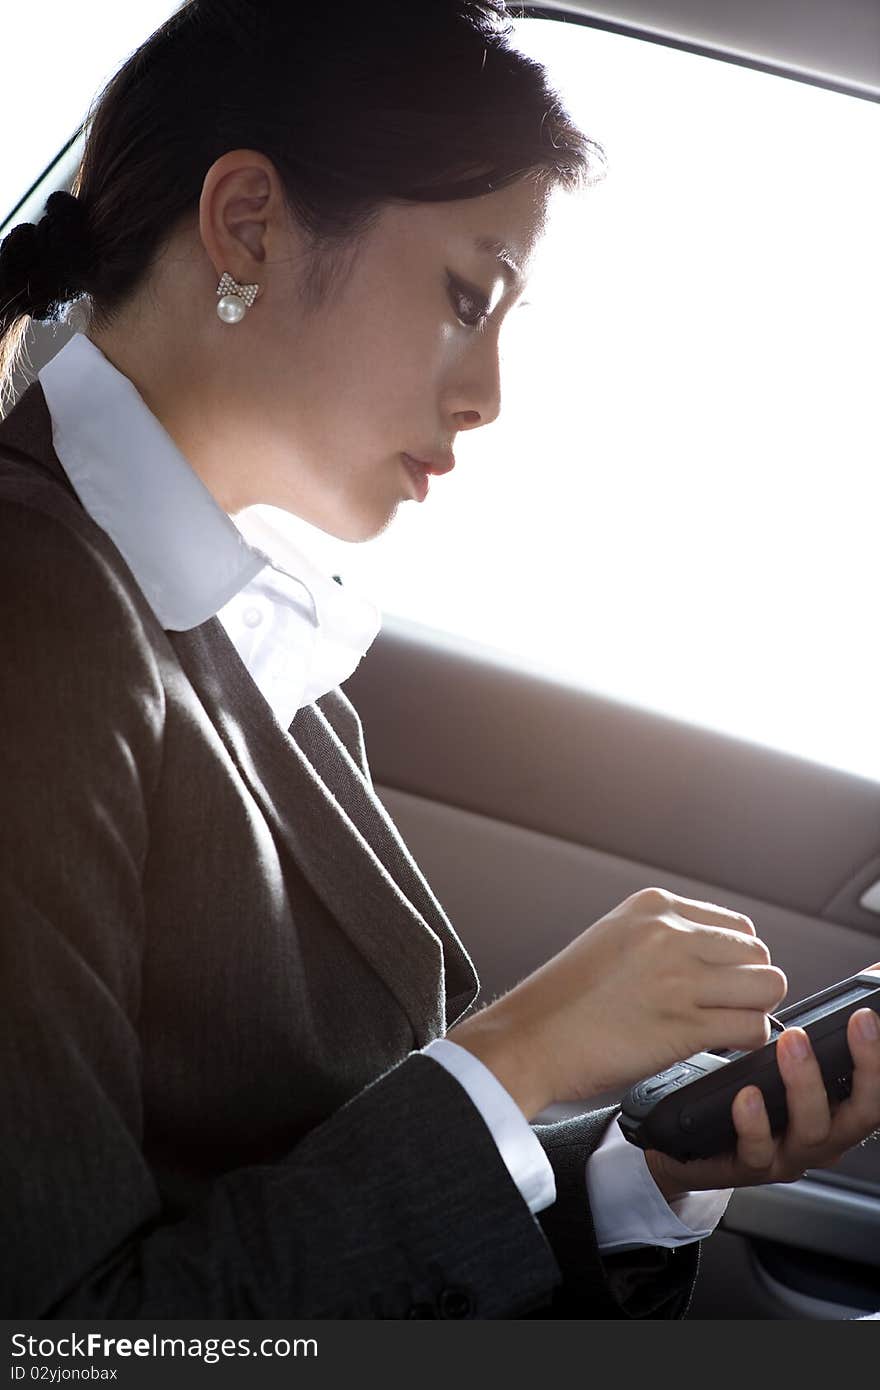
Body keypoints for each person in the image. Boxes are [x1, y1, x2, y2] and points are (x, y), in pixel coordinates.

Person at [0, 0, 878, 1321]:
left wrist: (640, 1169)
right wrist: (512, 1055)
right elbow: (73, 1339)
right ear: (247, 223)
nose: (491, 394)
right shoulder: (35, 615)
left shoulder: (244, 624)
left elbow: (320, 1185)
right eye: (469, 298)